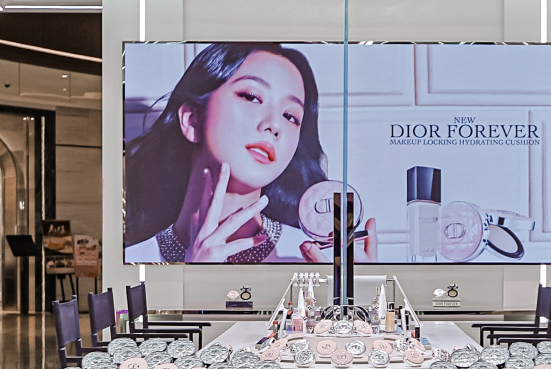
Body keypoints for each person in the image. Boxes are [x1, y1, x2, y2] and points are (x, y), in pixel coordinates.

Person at [124, 42, 377, 263]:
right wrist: (193, 277)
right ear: (191, 120)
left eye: (290, 116)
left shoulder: (320, 259)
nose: (275, 125)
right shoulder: (133, 262)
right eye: (252, 97)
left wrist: (356, 294)